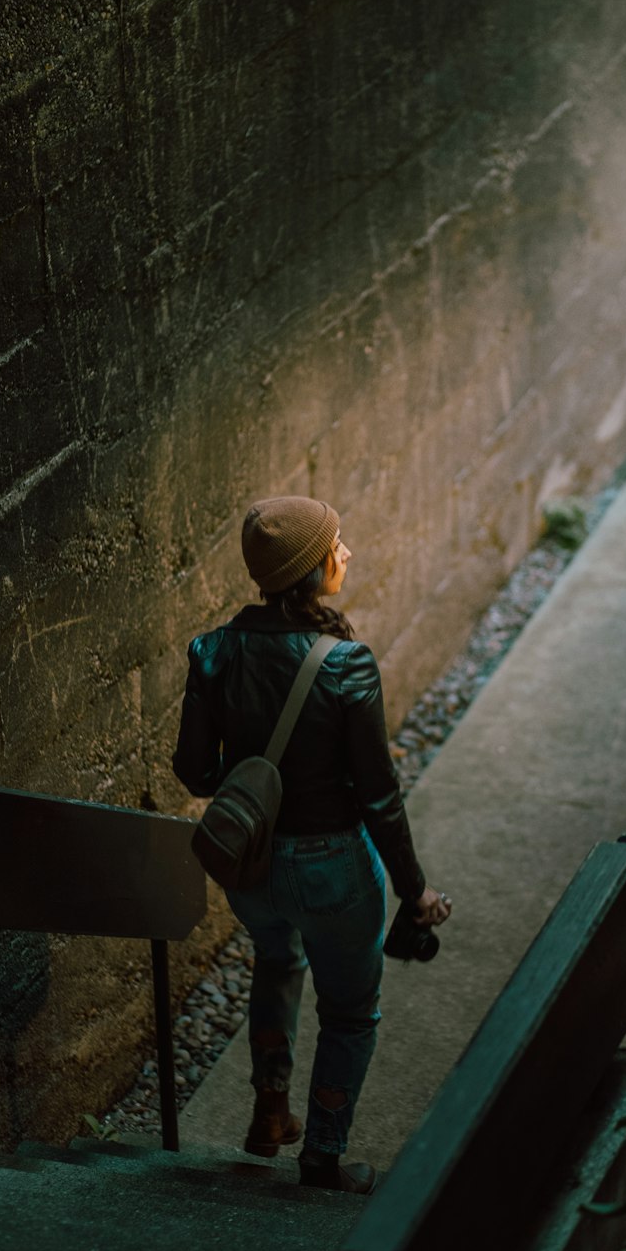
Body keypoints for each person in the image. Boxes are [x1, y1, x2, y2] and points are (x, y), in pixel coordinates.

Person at [172, 495, 451, 1194]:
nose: (347, 552)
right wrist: (415, 891)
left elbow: (197, 772)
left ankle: (270, 1107)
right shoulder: (347, 664)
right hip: (333, 871)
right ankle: (323, 1155)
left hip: (253, 866)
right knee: (351, 1012)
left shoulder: (212, 651)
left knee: (274, 954)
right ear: (309, 567)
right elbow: (379, 798)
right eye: (337, 543)